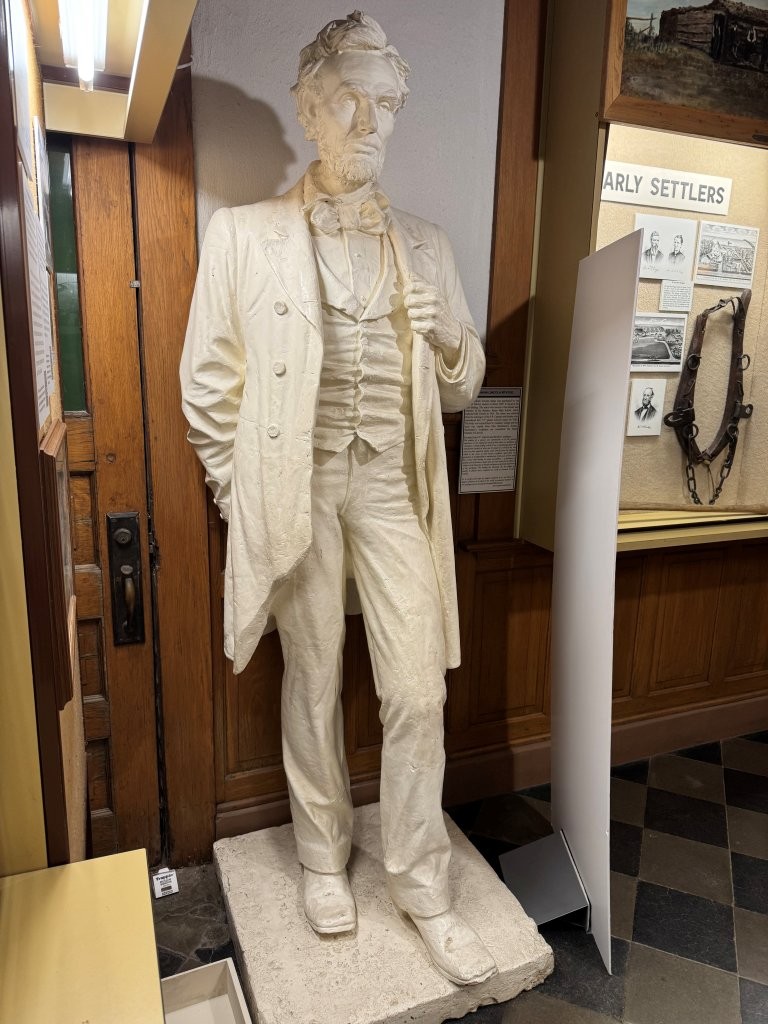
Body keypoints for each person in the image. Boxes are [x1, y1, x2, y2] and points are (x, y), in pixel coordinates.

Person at [180, 11, 496, 987]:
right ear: (311, 107)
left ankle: (419, 880)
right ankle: (322, 858)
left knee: (416, 688)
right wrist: (246, 495)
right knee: (312, 681)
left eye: (387, 102)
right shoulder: (245, 238)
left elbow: (463, 385)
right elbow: (207, 383)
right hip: (301, 488)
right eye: (349, 96)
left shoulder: (428, 246)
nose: (370, 118)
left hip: (393, 487)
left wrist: (449, 336)